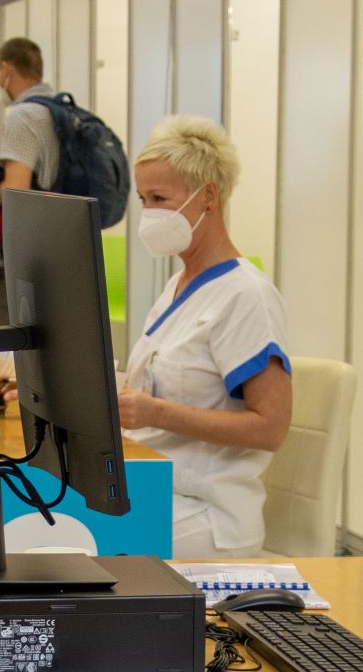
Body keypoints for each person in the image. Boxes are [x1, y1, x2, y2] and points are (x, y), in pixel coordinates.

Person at [117, 116, 293, 560]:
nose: (149, 213)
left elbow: (271, 427)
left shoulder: (245, 295)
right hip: (160, 492)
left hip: (209, 515)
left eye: (160, 198)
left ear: (208, 196)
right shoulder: (177, 286)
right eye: (143, 199)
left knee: (75, 554)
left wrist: (155, 412)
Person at [0, 37, 58, 194]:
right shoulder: (58, 109)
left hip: (44, 217)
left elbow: (16, 191)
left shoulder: (21, 116)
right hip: (77, 215)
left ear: (6, 69)